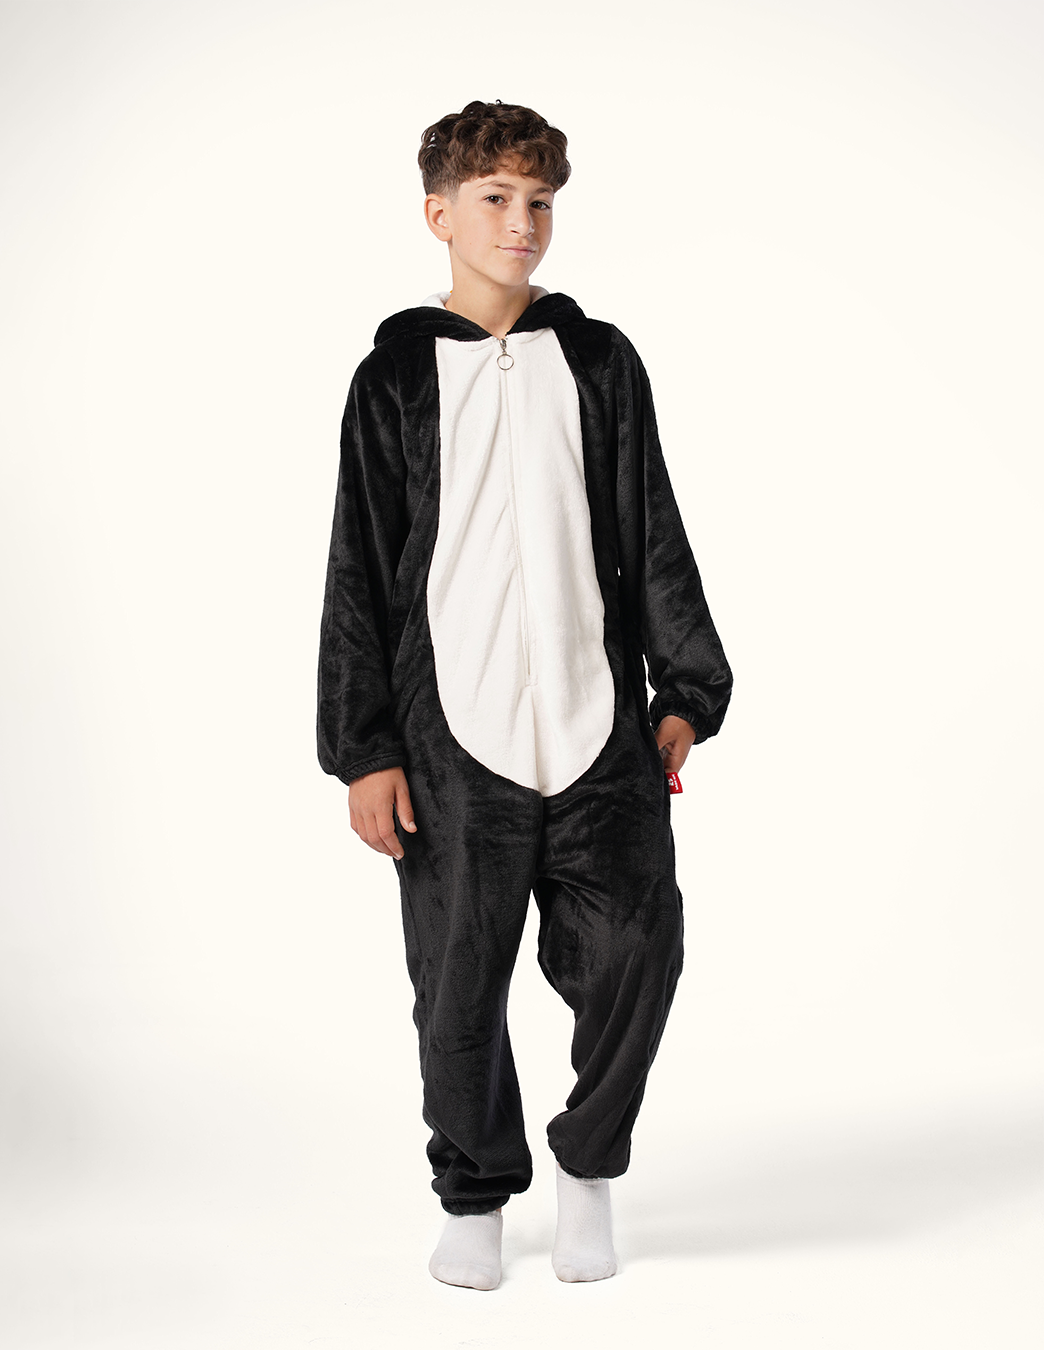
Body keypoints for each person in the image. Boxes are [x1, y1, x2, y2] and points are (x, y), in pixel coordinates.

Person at [316, 99, 732, 1290]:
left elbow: (652, 529)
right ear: (438, 214)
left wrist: (684, 688)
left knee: (638, 948)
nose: (522, 223)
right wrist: (365, 749)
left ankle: (589, 1168)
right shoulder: (393, 379)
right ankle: (475, 1194)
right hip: (450, 736)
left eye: (539, 201)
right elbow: (358, 567)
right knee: (456, 984)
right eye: (495, 199)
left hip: (600, 727)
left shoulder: (599, 362)